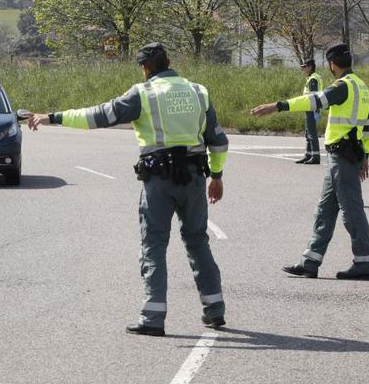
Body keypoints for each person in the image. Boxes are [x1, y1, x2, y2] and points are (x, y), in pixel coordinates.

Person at [25, 43, 229, 336]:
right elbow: (219, 141)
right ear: (169, 61)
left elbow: (99, 115)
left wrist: (53, 117)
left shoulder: (143, 94)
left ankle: (153, 317)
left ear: (144, 68)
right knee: (198, 241)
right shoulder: (199, 92)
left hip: (159, 179)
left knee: (154, 244)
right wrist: (217, 175)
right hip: (195, 177)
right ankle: (215, 309)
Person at [251, 44, 369, 280]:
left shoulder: (343, 86)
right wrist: (366, 155)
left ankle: (364, 262)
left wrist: (278, 106)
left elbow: (314, 101)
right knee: (325, 210)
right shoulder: (362, 86)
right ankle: (310, 261)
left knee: (352, 211)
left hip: (343, 156)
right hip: (345, 155)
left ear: (332, 64)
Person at [296, 60, 323, 165]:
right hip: (310, 108)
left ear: (310, 67)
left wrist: (314, 110)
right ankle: (308, 155)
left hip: (312, 109)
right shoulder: (313, 78)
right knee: (308, 133)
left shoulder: (313, 79)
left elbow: (313, 96)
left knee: (312, 133)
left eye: (305, 67)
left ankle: (315, 156)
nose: (303, 69)